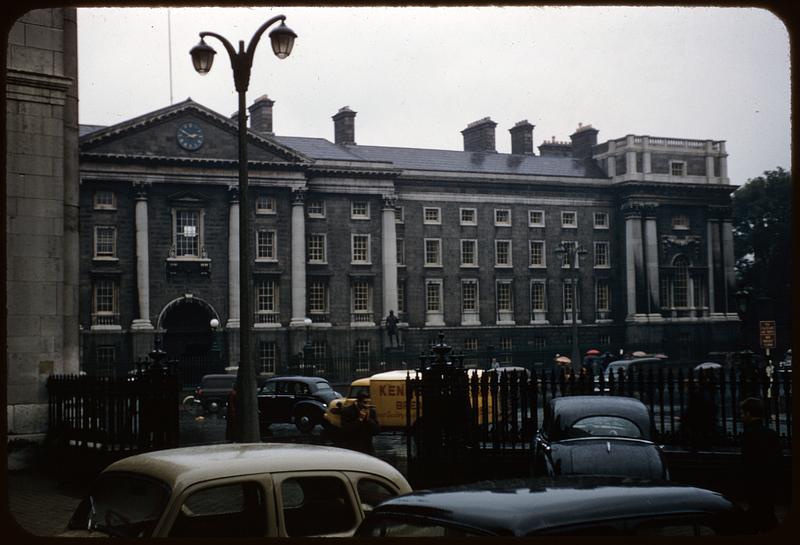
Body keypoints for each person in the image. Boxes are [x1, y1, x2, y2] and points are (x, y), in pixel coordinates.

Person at [739, 397, 782, 533]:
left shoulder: (748, 435)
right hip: (770, 481)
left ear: (748, 414)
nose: (741, 416)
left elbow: (747, 462)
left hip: (755, 482)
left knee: (757, 513)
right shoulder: (772, 434)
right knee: (767, 512)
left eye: (742, 413)